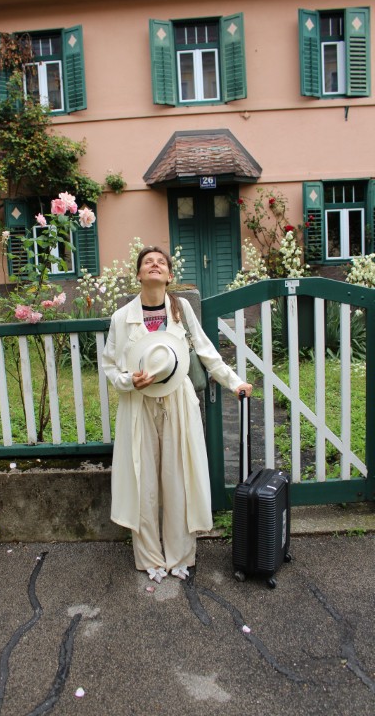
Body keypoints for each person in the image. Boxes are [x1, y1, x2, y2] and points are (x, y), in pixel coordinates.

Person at [102, 247, 252, 583]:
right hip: (138, 404)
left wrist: (235, 382)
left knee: (178, 476)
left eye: (161, 262)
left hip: (177, 401)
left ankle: (181, 555)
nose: (154, 265)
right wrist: (129, 381)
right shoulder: (121, 317)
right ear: (139, 274)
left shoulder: (180, 309)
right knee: (143, 480)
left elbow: (206, 351)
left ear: (169, 276)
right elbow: (109, 364)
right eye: (147, 262)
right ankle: (149, 558)